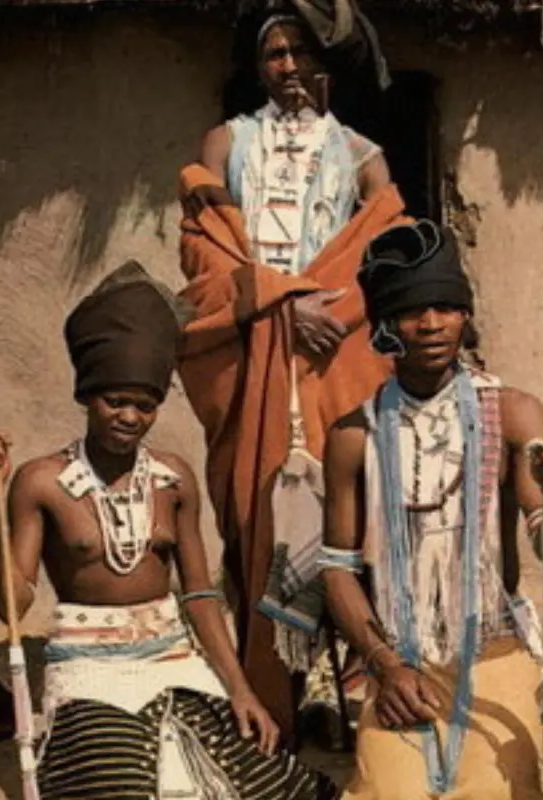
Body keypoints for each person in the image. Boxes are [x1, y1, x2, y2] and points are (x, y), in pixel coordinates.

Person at [0, 262, 337, 799]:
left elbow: (199, 594)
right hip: (88, 668)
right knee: (124, 785)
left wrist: (240, 689)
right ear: (86, 398)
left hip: (174, 659)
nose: (129, 417)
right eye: (114, 401)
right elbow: (9, 605)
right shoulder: (40, 482)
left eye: (145, 406)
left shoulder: (172, 478)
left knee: (263, 782)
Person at [178, 2, 401, 735]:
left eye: (300, 52)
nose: (288, 67)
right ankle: (270, 691)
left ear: (325, 61)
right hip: (251, 356)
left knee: (344, 514)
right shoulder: (227, 141)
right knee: (259, 517)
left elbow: (386, 251)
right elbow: (203, 245)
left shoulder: (362, 154)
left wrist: (328, 315)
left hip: (331, 355)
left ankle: (344, 689)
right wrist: (276, 303)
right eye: (273, 54)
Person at [321, 220, 543, 799]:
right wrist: (384, 666)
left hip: (495, 650)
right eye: (413, 311)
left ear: (465, 314)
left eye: (446, 306)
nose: (432, 323)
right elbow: (338, 570)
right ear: (387, 326)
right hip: (399, 659)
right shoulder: (352, 435)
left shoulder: (514, 413)